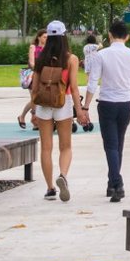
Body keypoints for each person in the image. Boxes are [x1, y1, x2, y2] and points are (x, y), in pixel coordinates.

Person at [26, 22, 84, 202]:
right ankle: (63, 176)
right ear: (64, 36)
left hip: (44, 105)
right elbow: (73, 88)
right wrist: (80, 112)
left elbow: (34, 88)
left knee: (46, 147)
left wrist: (34, 112)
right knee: (65, 146)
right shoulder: (71, 59)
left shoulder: (41, 58)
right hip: (63, 103)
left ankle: (50, 188)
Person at [86, 19, 130, 202]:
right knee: (119, 144)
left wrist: (85, 106)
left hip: (107, 103)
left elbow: (93, 82)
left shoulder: (101, 55)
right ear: (127, 37)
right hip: (126, 103)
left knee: (110, 145)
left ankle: (117, 183)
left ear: (110, 35)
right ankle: (112, 182)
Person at [15, 30, 47, 126]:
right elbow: (31, 62)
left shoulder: (48, 48)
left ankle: (22, 116)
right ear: (39, 37)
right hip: (34, 75)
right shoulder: (33, 47)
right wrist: (38, 69)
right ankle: (34, 121)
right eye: (45, 37)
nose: (46, 39)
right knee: (34, 98)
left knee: (40, 98)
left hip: (45, 75)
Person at [79, 33, 101, 133]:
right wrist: (100, 44)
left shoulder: (85, 47)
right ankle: (91, 83)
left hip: (87, 60)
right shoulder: (94, 46)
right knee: (93, 74)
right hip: (94, 61)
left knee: (88, 73)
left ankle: (88, 82)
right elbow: (100, 47)